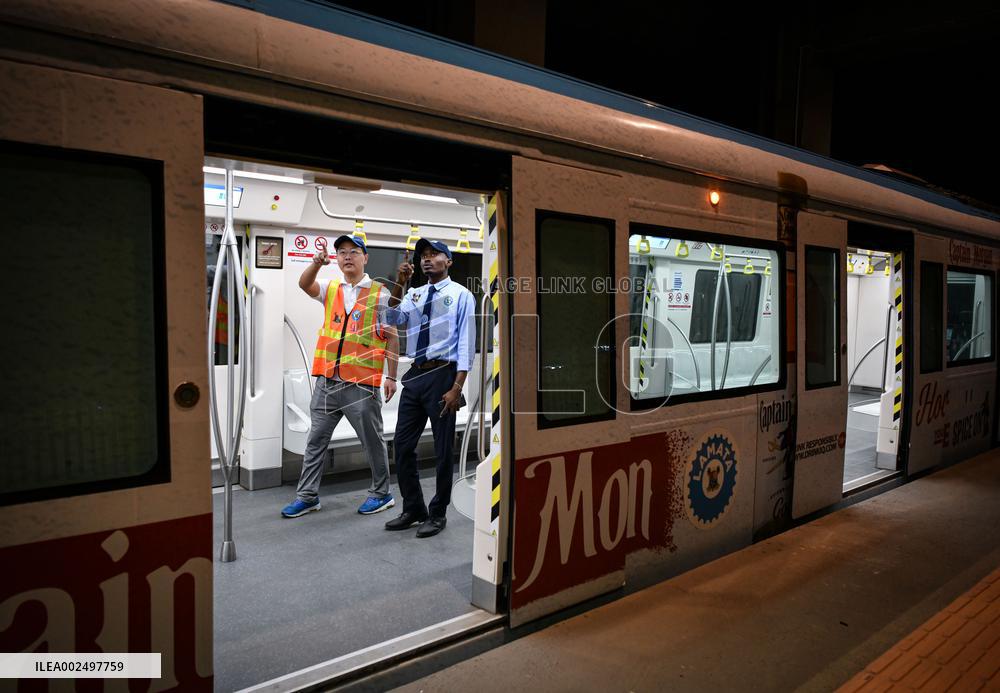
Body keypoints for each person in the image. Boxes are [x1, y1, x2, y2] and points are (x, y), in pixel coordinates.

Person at [281, 234, 399, 518]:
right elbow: (304, 285)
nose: (347, 256)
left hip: (361, 384)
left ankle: (382, 493)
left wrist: (391, 377)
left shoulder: (380, 294)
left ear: (365, 258)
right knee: (315, 441)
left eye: (354, 252)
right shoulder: (330, 288)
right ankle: (307, 496)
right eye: (342, 252)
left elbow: (393, 338)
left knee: (371, 442)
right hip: (327, 382)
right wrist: (316, 264)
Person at [383, 239, 475, 538]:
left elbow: (466, 343)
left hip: (443, 376)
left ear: (448, 261)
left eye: (434, 254)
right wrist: (399, 283)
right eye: (423, 255)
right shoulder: (415, 293)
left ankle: (437, 513)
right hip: (415, 375)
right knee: (403, 445)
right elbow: (392, 318)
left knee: (441, 450)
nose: (427, 259)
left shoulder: (461, 295)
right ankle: (414, 508)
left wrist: (457, 386)